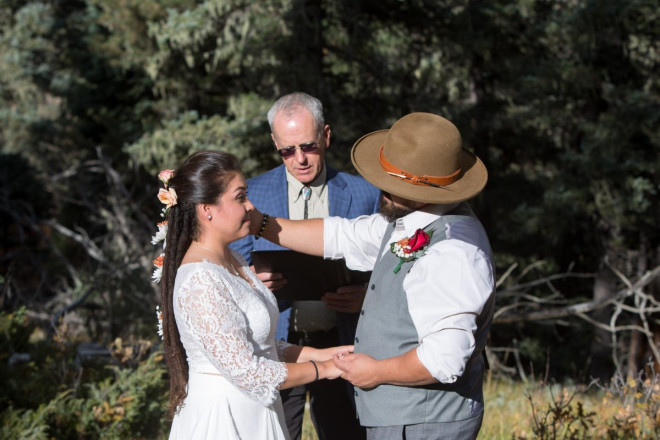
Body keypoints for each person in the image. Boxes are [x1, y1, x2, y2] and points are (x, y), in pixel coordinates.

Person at [247, 112, 496, 439]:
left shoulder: (452, 252)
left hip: (425, 423)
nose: (380, 186)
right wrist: (261, 224)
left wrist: (375, 371)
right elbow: (341, 236)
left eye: (392, 182)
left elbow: (445, 360)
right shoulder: (411, 217)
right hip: (403, 418)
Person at [156, 151, 350, 440]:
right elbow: (250, 372)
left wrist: (327, 354)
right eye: (240, 197)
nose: (250, 206)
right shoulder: (200, 278)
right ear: (206, 209)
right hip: (225, 420)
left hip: (257, 413)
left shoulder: (233, 259)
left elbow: (260, 345)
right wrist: (323, 369)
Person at [230, 92, 379, 440]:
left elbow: (390, 272)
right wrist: (251, 280)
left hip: (345, 342)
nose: (299, 159)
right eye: (287, 150)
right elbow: (229, 268)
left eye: (308, 146)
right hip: (278, 345)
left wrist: (366, 297)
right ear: (274, 143)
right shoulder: (251, 194)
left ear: (326, 136)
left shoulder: (365, 193)